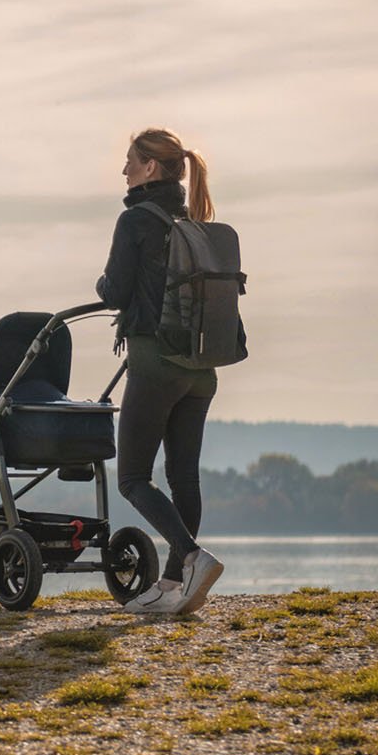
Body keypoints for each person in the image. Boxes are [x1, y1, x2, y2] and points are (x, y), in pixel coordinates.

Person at [96, 128, 226, 615]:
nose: (124, 169)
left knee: (131, 476)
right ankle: (173, 585)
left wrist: (102, 281)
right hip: (201, 369)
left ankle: (191, 557)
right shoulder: (190, 220)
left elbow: (115, 290)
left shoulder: (136, 221)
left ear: (150, 167)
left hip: (155, 364)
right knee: (183, 476)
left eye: (130, 160)